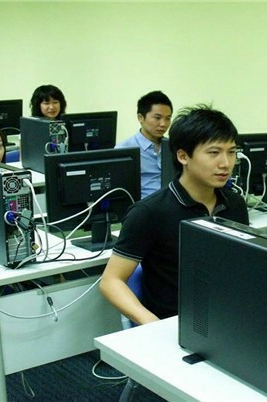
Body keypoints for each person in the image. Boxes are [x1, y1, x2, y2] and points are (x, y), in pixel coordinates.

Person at [100, 104, 249, 325]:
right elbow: (111, 281)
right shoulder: (149, 212)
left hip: (225, 316)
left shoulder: (235, 204)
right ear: (183, 156)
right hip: (173, 323)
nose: (226, 163)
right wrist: (151, 323)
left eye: (232, 152)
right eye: (214, 152)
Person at [115, 90, 173, 198]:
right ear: (140, 118)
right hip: (144, 204)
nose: (163, 124)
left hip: (173, 202)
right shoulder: (124, 149)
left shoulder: (173, 146)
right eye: (157, 118)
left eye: (168, 119)